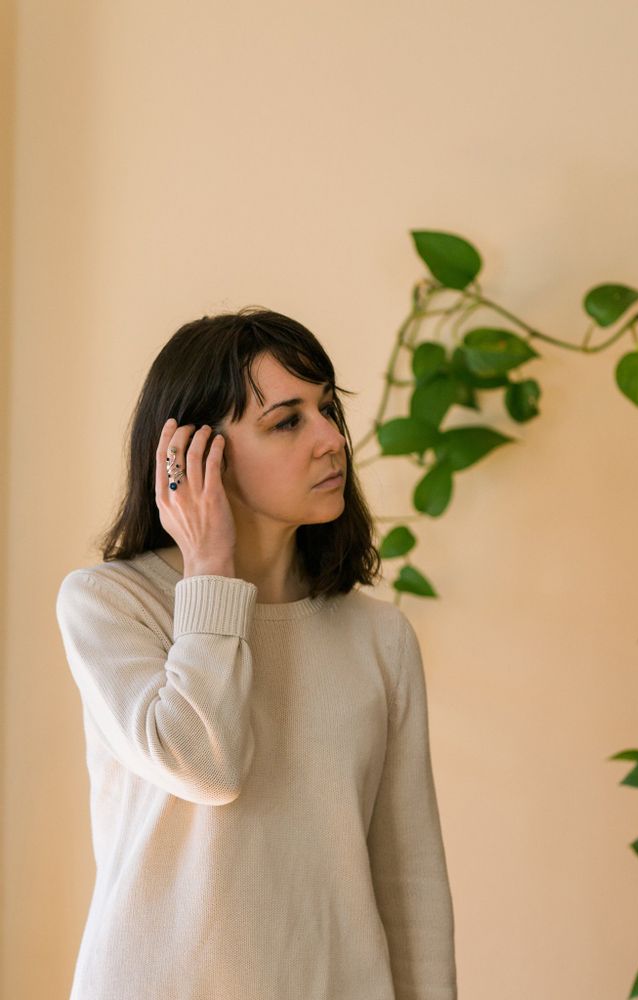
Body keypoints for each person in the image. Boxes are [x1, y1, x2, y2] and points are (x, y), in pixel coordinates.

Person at [54, 307, 457, 1000]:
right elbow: (204, 765)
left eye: (328, 409)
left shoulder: (380, 639)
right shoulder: (110, 605)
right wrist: (210, 565)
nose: (333, 439)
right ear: (192, 454)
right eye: (288, 420)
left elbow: (410, 882)